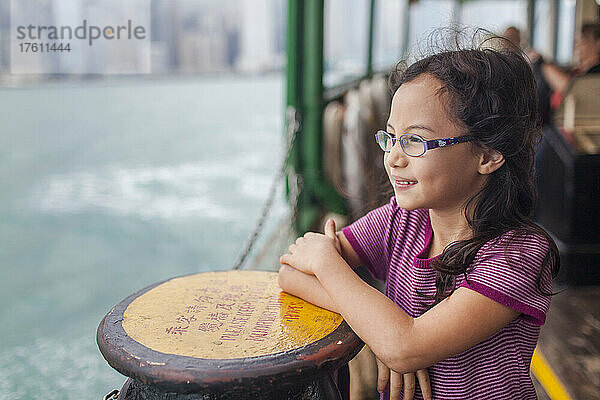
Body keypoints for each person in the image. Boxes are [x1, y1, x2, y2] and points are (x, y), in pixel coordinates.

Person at [278, 37, 560, 400]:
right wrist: (380, 329)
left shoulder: (517, 256)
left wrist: (391, 333)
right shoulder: (402, 221)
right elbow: (291, 273)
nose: (394, 157)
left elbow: (405, 346)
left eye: (415, 141)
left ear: (488, 156)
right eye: (390, 138)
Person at [530, 22, 600, 111]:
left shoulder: (596, 71)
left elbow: (571, 90)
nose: (577, 45)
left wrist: (544, 64)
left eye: (583, 40)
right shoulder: (579, 70)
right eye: (578, 41)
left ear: (598, 44)